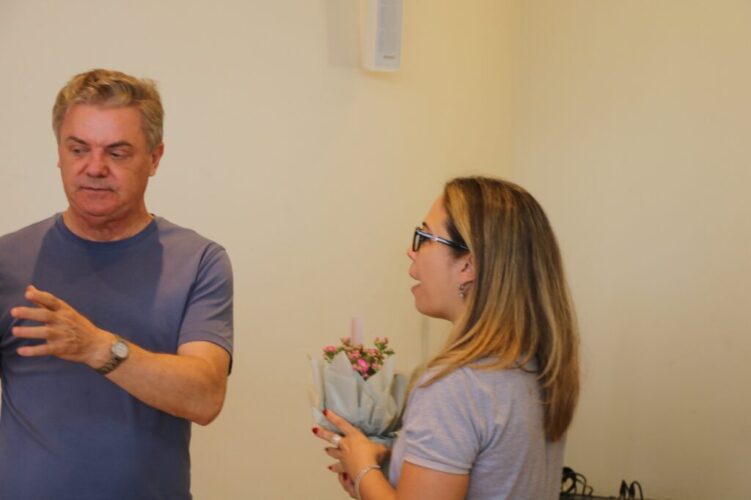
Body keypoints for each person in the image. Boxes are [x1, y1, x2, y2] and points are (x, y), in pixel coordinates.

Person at [0, 69, 233, 499]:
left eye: (117, 153)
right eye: (78, 149)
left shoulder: (199, 262)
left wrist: (97, 347)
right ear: (59, 153)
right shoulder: (6, 260)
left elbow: (204, 398)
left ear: (155, 158)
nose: (94, 168)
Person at [313, 176, 579, 499]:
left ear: (468, 265)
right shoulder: (535, 367)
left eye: (424, 237)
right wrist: (385, 474)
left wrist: (362, 469)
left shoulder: (455, 386)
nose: (411, 251)